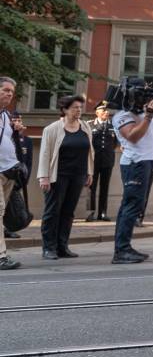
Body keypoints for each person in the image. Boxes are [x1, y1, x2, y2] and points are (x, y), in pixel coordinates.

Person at [111, 83, 153, 264]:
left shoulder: (144, 113)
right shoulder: (122, 115)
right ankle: (121, 251)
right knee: (131, 206)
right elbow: (133, 136)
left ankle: (124, 247)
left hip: (147, 162)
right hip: (135, 164)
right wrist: (148, 116)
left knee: (134, 206)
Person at [37, 94, 94, 260]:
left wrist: (89, 172)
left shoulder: (85, 127)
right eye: (75, 107)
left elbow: (90, 152)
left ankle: (62, 246)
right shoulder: (52, 129)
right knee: (52, 211)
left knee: (68, 212)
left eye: (80, 107)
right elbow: (45, 154)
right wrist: (44, 177)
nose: (79, 110)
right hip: (57, 175)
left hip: (78, 175)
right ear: (65, 110)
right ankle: (49, 248)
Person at [0, 77, 29, 270]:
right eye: (5, 90)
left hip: (8, 171)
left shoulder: (6, 116)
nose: (10, 94)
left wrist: (16, 131)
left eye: (11, 91)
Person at [87, 101, 116, 221]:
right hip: (93, 161)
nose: (106, 112)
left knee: (105, 187)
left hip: (108, 160)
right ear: (97, 112)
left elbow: (115, 143)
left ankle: (103, 212)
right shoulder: (89, 125)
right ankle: (91, 212)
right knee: (91, 187)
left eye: (107, 110)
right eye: (103, 110)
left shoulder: (113, 125)